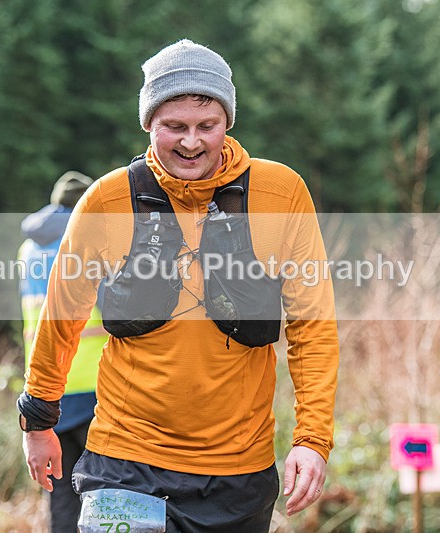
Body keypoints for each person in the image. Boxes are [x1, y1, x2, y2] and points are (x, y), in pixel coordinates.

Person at [17, 39, 339, 532]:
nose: (191, 142)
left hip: (239, 472)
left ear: (228, 121)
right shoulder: (107, 201)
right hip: (125, 461)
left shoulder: (282, 193)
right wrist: (39, 419)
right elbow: (61, 316)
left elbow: (312, 328)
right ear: (148, 124)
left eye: (206, 126)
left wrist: (311, 438)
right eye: (174, 127)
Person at [17, 171, 106, 532]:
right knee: (107, 495)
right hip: (96, 385)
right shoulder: (88, 240)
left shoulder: (29, 248)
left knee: (62, 494)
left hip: (46, 389)